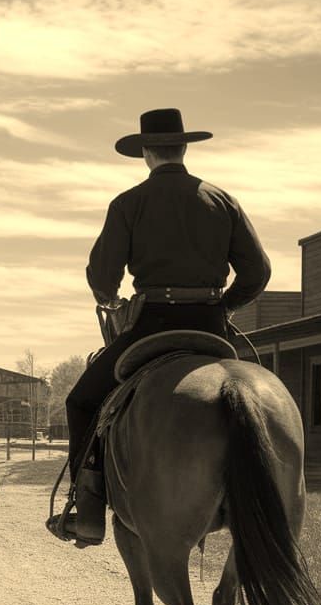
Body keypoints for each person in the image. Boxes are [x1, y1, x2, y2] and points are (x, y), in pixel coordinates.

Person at [48, 108, 271, 546]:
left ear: (146, 152)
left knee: (81, 401)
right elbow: (258, 272)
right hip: (211, 325)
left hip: (151, 325)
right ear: (184, 148)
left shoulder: (129, 203)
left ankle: (88, 509)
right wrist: (225, 304)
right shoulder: (222, 200)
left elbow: (102, 278)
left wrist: (110, 301)